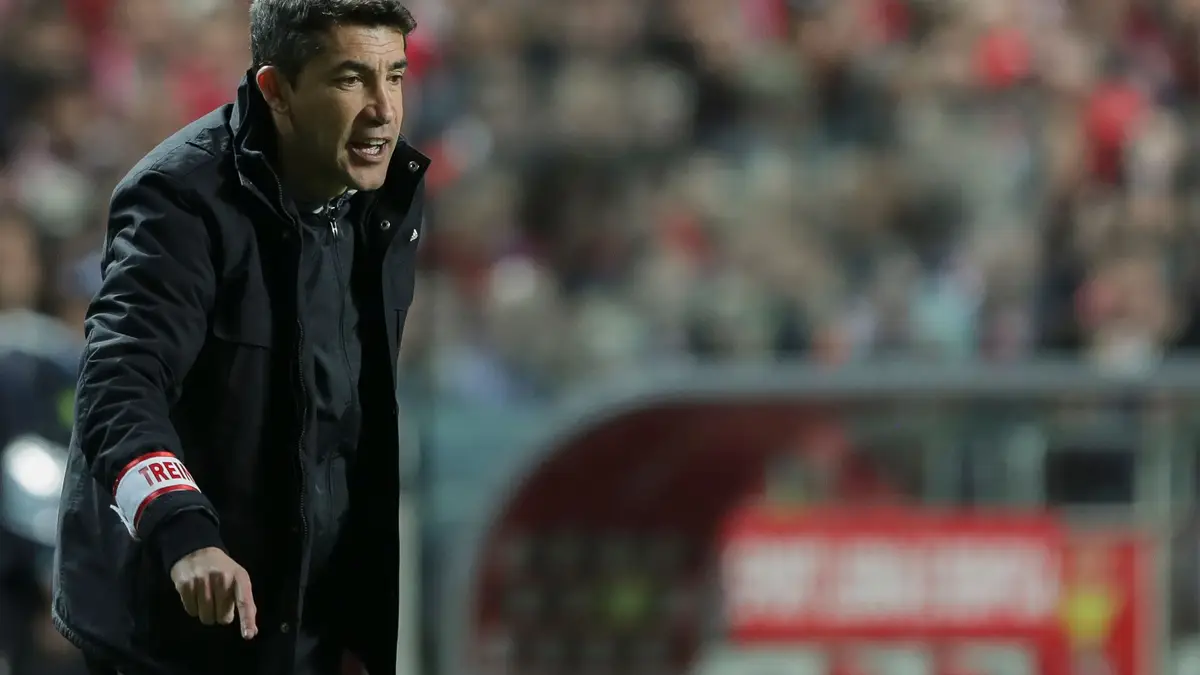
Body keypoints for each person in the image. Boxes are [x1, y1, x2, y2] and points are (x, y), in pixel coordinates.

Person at [52, 1, 429, 674]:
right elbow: (117, 388)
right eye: (350, 79)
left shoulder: (386, 198)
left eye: (394, 76)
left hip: (312, 630)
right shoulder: (181, 198)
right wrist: (182, 529)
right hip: (175, 635)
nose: (383, 110)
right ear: (275, 90)